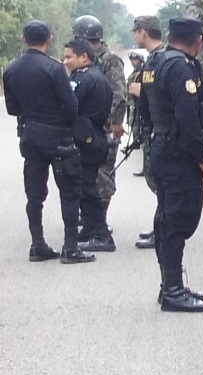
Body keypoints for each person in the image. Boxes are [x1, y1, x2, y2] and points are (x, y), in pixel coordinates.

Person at [2, 20, 94, 264]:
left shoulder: (11, 69)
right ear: (49, 39)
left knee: (34, 193)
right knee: (70, 191)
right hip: (58, 137)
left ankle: (38, 243)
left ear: (23, 39)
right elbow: (71, 107)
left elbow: (12, 108)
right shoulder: (54, 69)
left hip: (31, 134)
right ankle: (71, 247)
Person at [140, 16, 203, 312]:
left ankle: (170, 286)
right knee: (178, 220)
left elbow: (143, 108)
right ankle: (172, 291)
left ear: (169, 35)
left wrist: (155, 137)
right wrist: (201, 157)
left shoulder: (154, 63)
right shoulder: (181, 67)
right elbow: (188, 118)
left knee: (166, 217)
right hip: (178, 153)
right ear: (197, 41)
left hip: (160, 146)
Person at [72, 14, 127, 250]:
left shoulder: (110, 60)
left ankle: (99, 226)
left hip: (103, 127)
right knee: (88, 178)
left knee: (102, 176)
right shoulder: (87, 60)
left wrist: (116, 123)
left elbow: (119, 94)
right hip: (90, 126)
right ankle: (91, 225)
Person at [64, 38, 115, 252]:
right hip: (95, 138)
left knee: (86, 188)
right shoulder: (98, 77)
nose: (65, 61)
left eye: (69, 57)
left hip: (87, 140)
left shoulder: (83, 79)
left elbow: (68, 107)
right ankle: (90, 230)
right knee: (84, 188)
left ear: (84, 57)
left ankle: (102, 235)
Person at [127, 15, 165, 249]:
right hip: (151, 131)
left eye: (136, 31)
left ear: (143, 32)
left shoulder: (161, 60)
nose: (134, 36)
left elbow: (162, 95)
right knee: (157, 184)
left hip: (159, 132)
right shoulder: (154, 59)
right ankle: (159, 230)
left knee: (160, 185)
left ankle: (162, 232)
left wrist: (142, 91)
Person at [126, 49, 145, 169]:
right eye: (132, 60)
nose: (133, 62)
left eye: (135, 60)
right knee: (132, 120)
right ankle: (135, 140)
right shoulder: (135, 72)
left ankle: (138, 140)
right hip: (132, 101)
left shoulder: (141, 72)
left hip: (138, 102)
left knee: (137, 122)